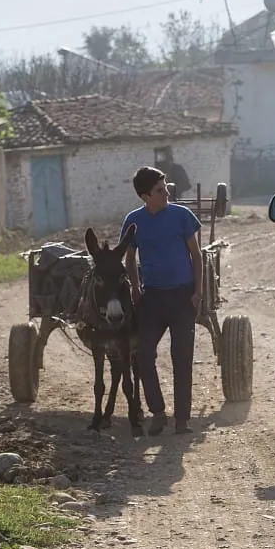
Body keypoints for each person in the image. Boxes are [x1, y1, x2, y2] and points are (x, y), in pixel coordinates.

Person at [121, 166, 203, 435]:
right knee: (143, 356)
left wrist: (198, 290)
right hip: (152, 298)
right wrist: (135, 288)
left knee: (182, 358)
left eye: (165, 186)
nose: (166, 192)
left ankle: (183, 420)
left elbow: (196, 254)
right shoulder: (134, 221)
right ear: (145, 196)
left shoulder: (182, 216)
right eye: (159, 190)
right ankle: (158, 412)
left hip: (182, 296)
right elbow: (130, 258)